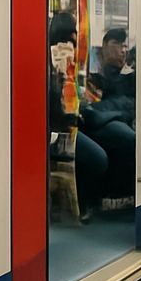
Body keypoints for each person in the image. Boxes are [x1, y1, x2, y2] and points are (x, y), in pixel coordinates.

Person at [49, 12, 107, 221]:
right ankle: (85, 204)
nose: (76, 37)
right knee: (97, 158)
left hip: (67, 122)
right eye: (73, 31)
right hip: (55, 130)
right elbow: (52, 106)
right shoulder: (53, 61)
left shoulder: (73, 61)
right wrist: (58, 76)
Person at [84, 28, 136, 202]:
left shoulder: (129, 76)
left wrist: (99, 110)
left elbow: (130, 103)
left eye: (124, 46)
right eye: (117, 44)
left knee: (129, 139)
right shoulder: (92, 71)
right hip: (91, 121)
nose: (122, 50)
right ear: (105, 45)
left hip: (106, 119)